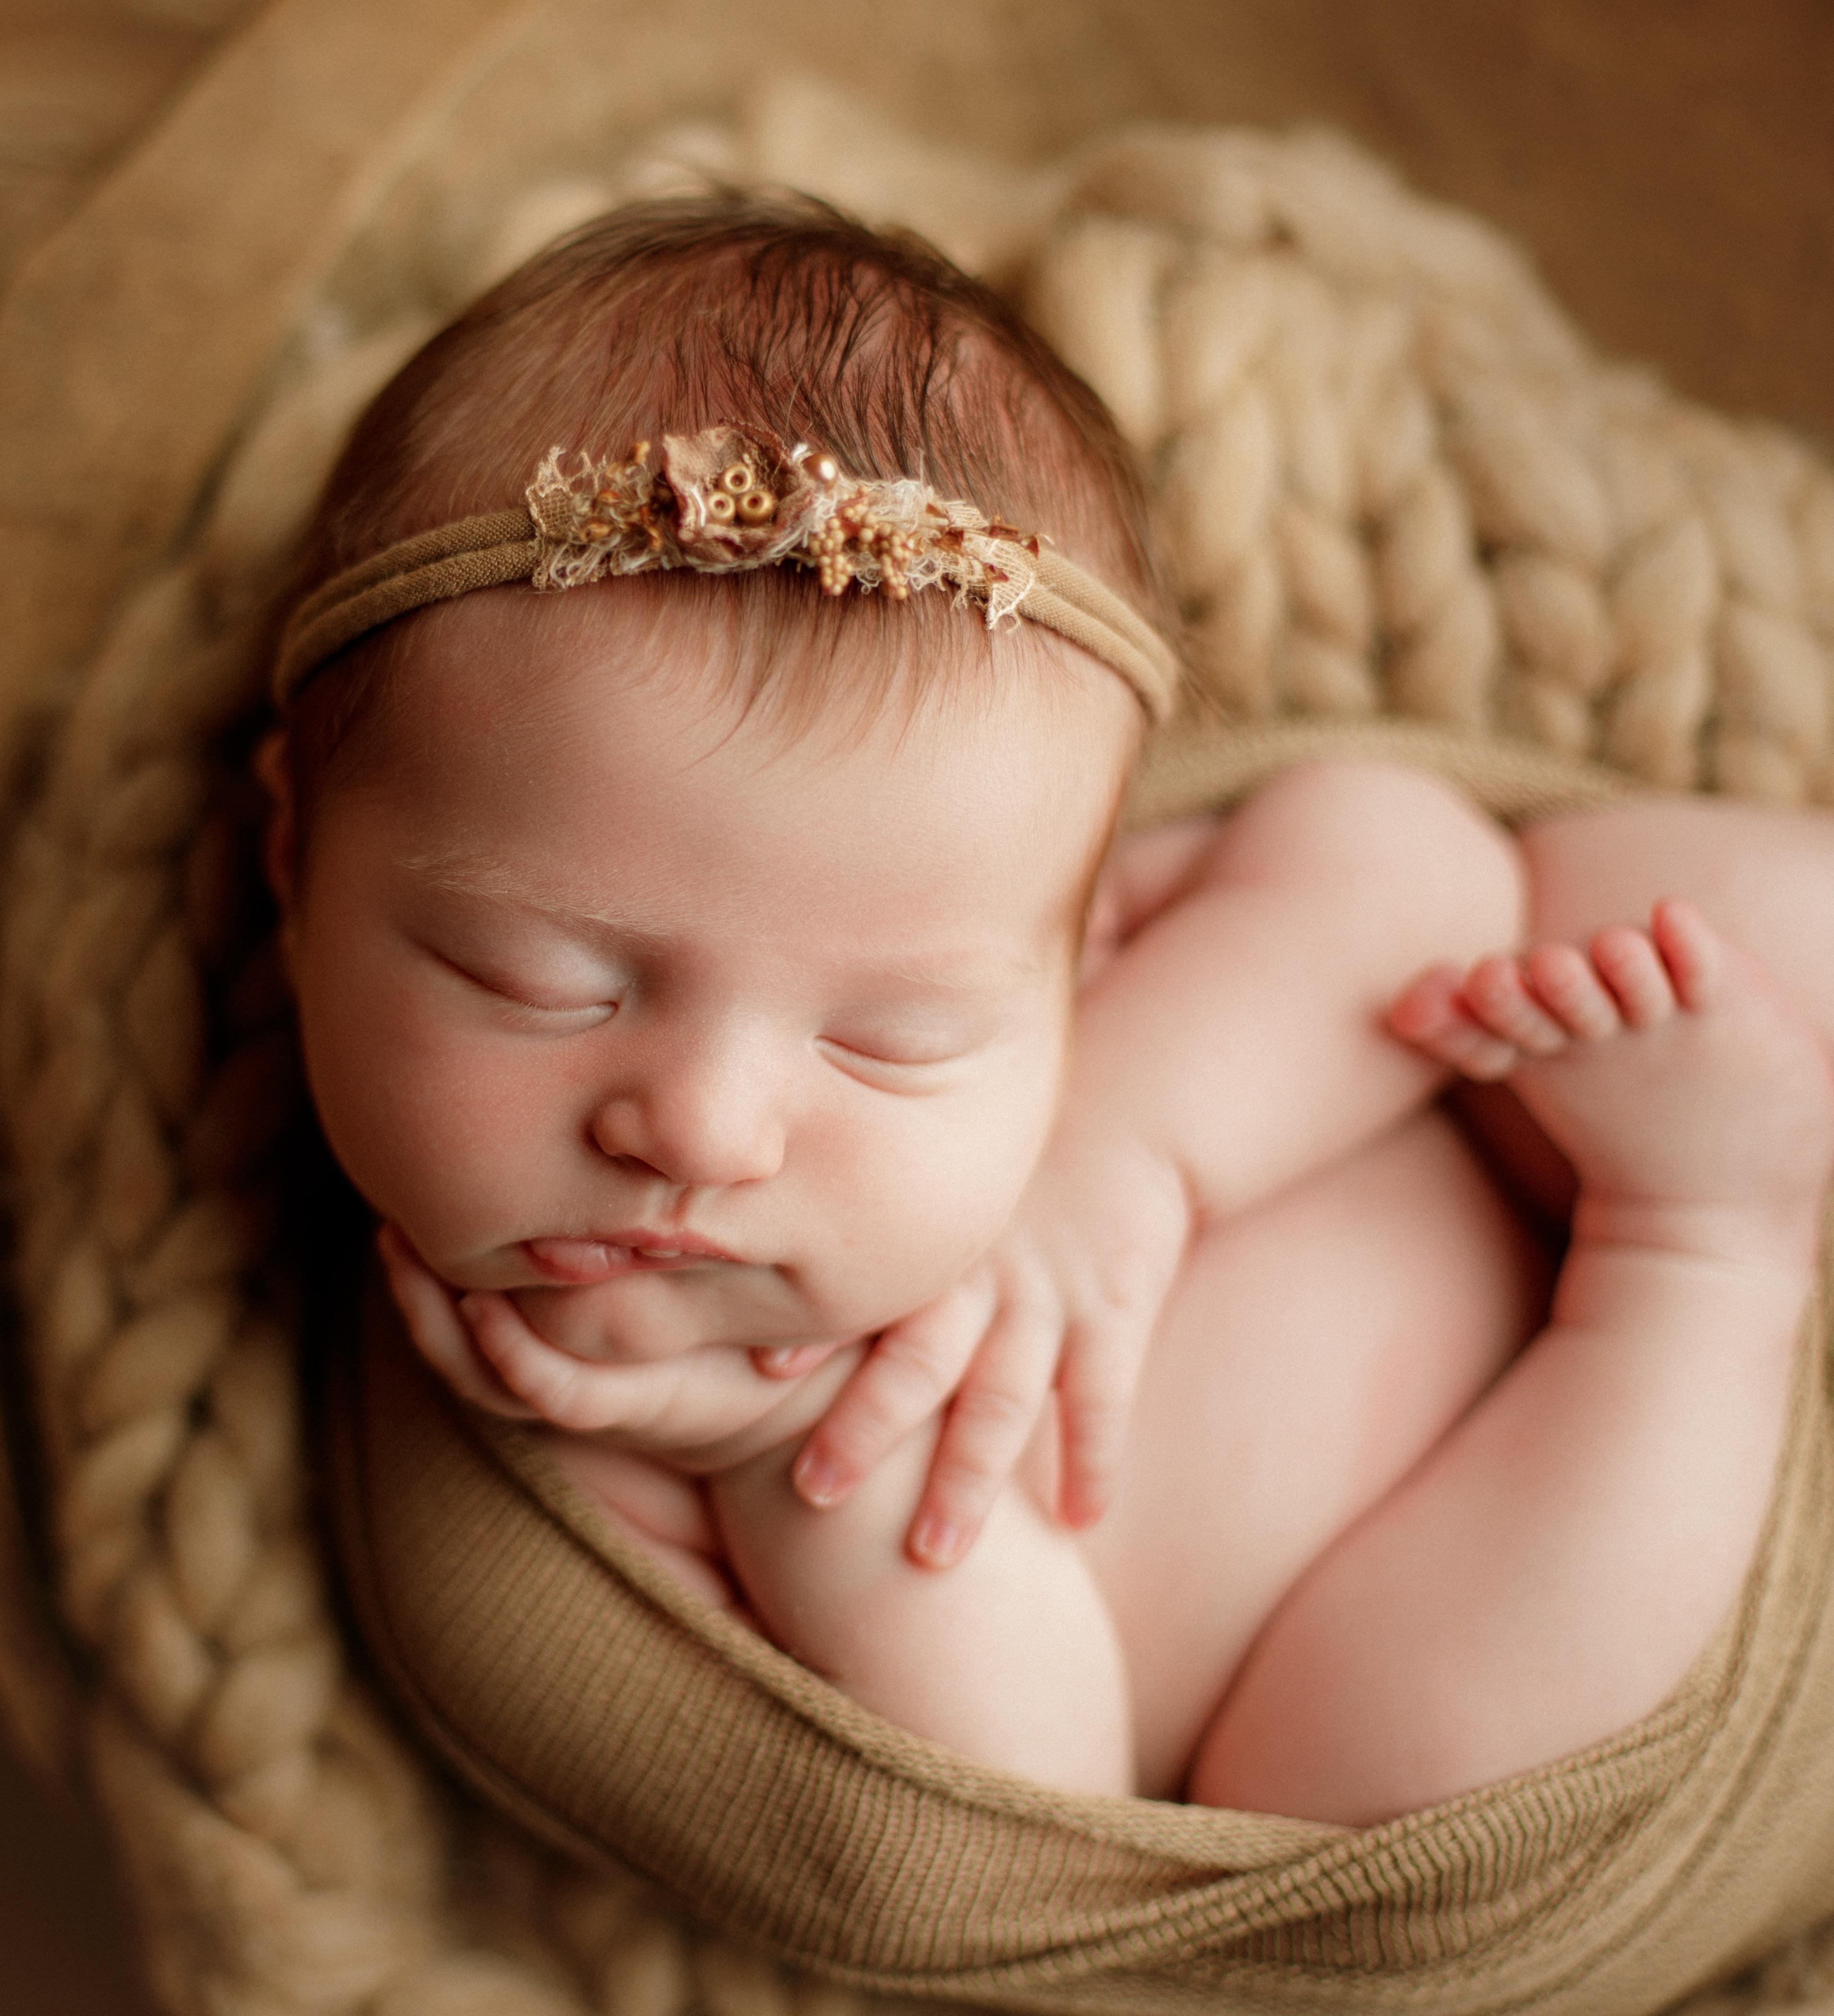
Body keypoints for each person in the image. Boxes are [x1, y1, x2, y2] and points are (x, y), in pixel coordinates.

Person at [259, 190, 1834, 1824]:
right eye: (546, 983)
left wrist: (1134, 1149)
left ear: (1071, 952)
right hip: (1528, 1512)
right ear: (295, 859)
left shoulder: (1001, 875)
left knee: (1663, 907)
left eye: (898, 1033)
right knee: (1365, 1780)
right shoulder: (564, 1444)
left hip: (1547, 1093)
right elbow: (1037, 1804)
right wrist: (780, 1453)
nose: (705, 1126)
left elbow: (1424, 874)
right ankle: (1717, 1251)